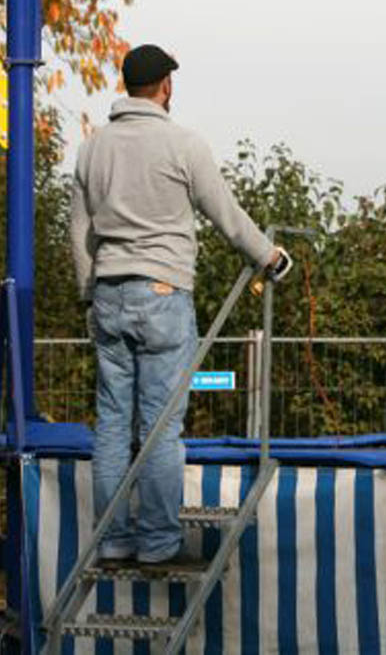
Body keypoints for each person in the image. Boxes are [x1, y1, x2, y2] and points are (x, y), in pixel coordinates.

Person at [70, 44, 291, 568]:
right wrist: (269, 257)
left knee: (113, 422)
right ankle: (159, 542)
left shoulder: (93, 148)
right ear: (165, 86)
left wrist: (88, 291)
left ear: (127, 86)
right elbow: (226, 215)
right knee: (161, 425)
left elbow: (79, 228)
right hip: (163, 291)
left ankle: (114, 539)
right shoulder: (183, 144)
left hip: (108, 291)